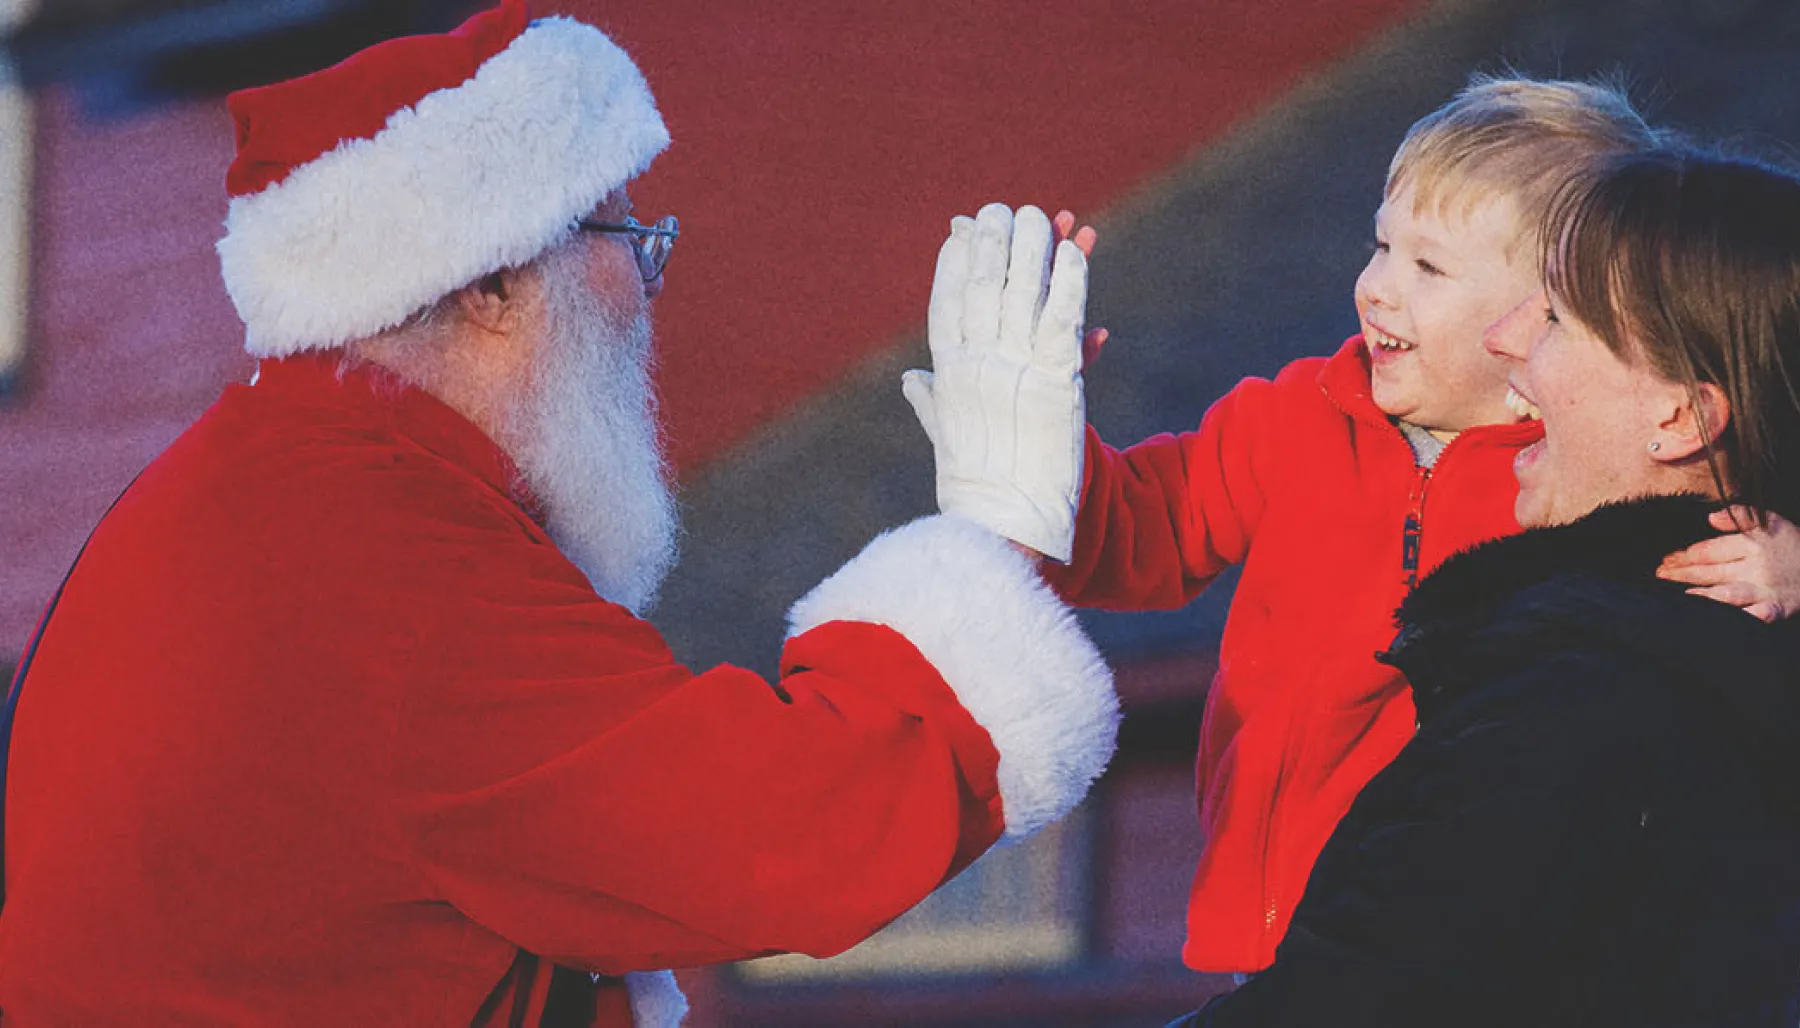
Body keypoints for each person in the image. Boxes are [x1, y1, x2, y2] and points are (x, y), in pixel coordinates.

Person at [0, 3, 1120, 1025]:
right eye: (625, 238)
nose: (648, 286)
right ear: (488, 281)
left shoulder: (271, 486)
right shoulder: (387, 556)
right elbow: (774, 832)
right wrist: (997, 525)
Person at [907, 74, 1800, 977]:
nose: (1378, 287)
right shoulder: (1293, 417)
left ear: (1539, 313)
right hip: (1257, 919)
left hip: (1437, 924)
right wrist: (1036, 465)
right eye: (1381, 246)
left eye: (1430, 267)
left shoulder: (1575, 490)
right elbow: (1144, 532)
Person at [1167, 144, 1800, 1026]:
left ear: (1680, 417)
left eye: (1558, 322)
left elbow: (1356, 993)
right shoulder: (1713, 656)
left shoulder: (1583, 695)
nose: (1506, 338)